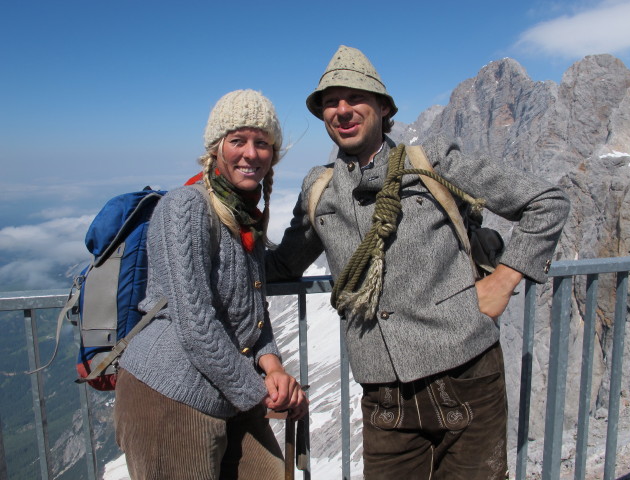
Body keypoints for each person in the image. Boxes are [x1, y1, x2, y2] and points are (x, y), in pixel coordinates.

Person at [265, 46, 570, 479]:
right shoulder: (321, 191)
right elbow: (281, 266)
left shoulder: (431, 163)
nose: (342, 110)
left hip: (467, 378)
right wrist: (218, 235)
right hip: (385, 402)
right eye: (331, 102)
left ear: (383, 107)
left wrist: (504, 281)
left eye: (356, 98)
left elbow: (547, 202)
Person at [114, 89, 308, 480]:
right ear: (217, 148)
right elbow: (197, 325)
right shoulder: (186, 206)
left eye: (262, 143)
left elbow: (253, 311)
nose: (250, 154)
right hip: (169, 395)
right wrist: (264, 394)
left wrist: (272, 367)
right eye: (238, 141)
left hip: (226, 390)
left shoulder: (244, 215)